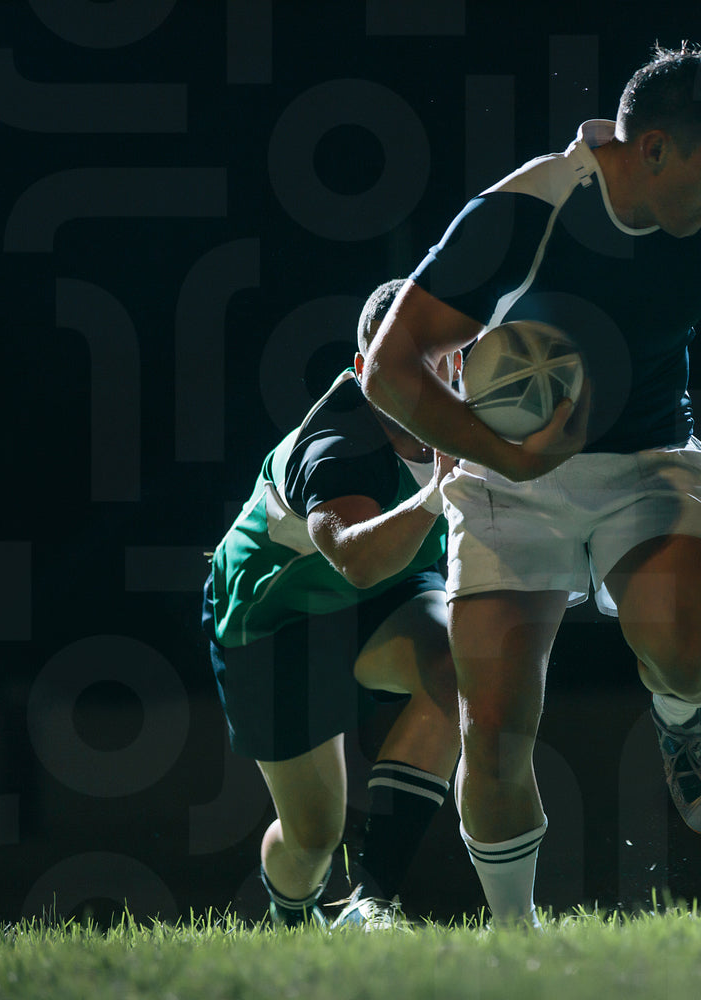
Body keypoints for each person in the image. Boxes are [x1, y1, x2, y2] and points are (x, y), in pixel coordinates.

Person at [364, 42, 701, 925]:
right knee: (493, 731)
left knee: (694, 655)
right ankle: (516, 944)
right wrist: (498, 452)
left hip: (649, 464)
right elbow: (392, 366)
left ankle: (684, 718)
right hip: (510, 479)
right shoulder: (525, 212)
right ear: (653, 148)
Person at [202, 279, 462, 928]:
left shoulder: (478, 404)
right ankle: (291, 917)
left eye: (429, 363)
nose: (413, 384)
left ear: (456, 360)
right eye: (395, 367)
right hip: (274, 619)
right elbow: (358, 558)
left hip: (390, 587)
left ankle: (372, 901)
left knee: (457, 671)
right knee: (313, 836)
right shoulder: (337, 445)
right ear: (363, 369)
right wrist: (437, 493)